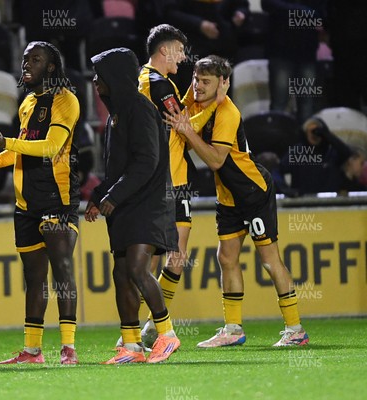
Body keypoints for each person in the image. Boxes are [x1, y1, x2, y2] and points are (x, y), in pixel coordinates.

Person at [164, 55, 309, 347]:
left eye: (206, 81)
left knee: (269, 261)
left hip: (252, 191)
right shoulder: (195, 99)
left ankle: (296, 330)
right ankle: (233, 329)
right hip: (228, 196)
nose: (198, 86)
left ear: (223, 84)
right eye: (196, 79)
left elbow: (217, 160)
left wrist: (188, 131)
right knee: (226, 258)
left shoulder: (228, 112)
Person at [0, 41, 81, 365]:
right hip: (26, 203)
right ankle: (32, 351)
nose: (26, 63)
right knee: (34, 278)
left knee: (62, 268)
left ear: (52, 67)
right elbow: (20, 149)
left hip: (58, 199)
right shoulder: (27, 102)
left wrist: (5, 141)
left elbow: (50, 146)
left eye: (35, 59)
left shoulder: (66, 100)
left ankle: (68, 348)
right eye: (25, 58)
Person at [86, 47, 180, 364]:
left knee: (139, 270)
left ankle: (166, 335)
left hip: (149, 203)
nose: (96, 82)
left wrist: (112, 196)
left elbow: (146, 162)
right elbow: (117, 170)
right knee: (122, 274)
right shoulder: (117, 115)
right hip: (128, 204)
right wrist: (99, 195)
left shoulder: (140, 109)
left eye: (101, 75)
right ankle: (132, 346)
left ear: (117, 77)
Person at [133, 24, 224, 347]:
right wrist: (217, 103)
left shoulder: (150, 81)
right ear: (164, 51)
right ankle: (139, 331)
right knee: (154, 259)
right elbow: (185, 127)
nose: (184, 57)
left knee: (172, 257)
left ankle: (143, 330)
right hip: (166, 181)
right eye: (180, 51)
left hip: (174, 179)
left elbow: (177, 120)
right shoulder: (156, 84)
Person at [279, 117, 354, 195]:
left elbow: (346, 153)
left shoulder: (331, 151)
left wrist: (326, 135)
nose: (314, 134)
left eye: (317, 131)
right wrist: (284, 189)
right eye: (310, 131)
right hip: (303, 200)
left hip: (329, 200)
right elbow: (280, 169)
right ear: (305, 133)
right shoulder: (297, 152)